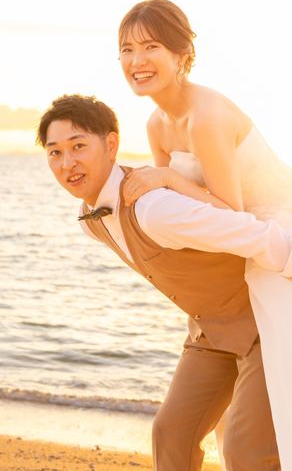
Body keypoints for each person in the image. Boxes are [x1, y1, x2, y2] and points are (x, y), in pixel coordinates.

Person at [36, 94, 289, 470]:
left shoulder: (156, 208)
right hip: (211, 330)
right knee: (171, 434)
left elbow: (257, 235)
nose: (67, 163)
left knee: (246, 451)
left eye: (78, 146)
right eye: (55, 152)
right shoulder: (91, 221)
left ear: (110, 145)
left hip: (266, 323)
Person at [118, 0, 292, 469]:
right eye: (127, 50)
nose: (136, 61)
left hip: (276, 247)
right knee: (183, 430)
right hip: (237, 265)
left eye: (150, 47)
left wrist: (167, 178)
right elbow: (184, 216)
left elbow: (231, 214)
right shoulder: (156, 124)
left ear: (182, 54)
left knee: (251, 439)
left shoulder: (207, 115)